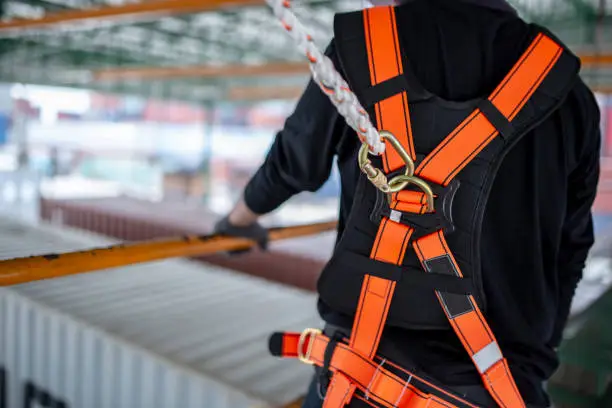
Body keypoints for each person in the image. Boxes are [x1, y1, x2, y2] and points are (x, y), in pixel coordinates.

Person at [214, 0, 601, 407]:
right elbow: (571, 250)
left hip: (361, 379)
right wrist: (533, 354)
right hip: (501, 388)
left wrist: (239, 220)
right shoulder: (567, 94)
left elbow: (292, 165)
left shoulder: (366, 49)